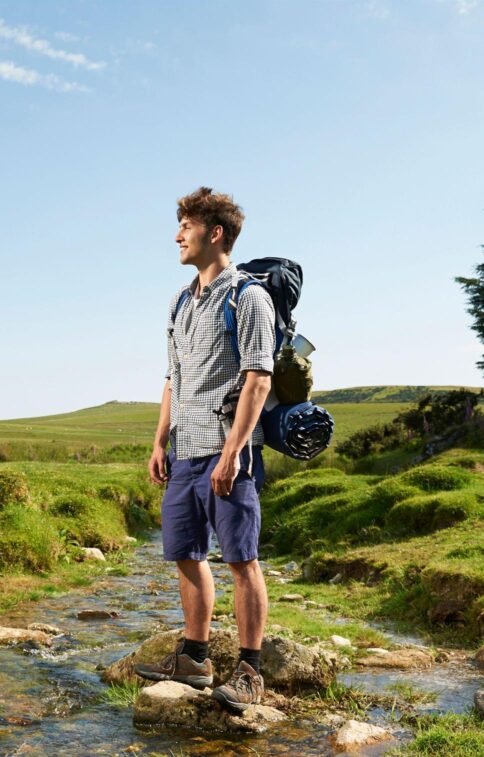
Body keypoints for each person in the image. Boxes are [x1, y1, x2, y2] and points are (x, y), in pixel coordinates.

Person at [134, 187, 275, 713]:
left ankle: (250, 671)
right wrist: (158, 439)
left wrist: (234, 450)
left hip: (227, 454)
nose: (177, 235)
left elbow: (258, 378)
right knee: (186, 556)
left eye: (186, 226)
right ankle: (195, 658)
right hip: (184, 453)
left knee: (242, 560)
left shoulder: (249, 297)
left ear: (214, 233)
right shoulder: (178, 301)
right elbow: (173, 377)